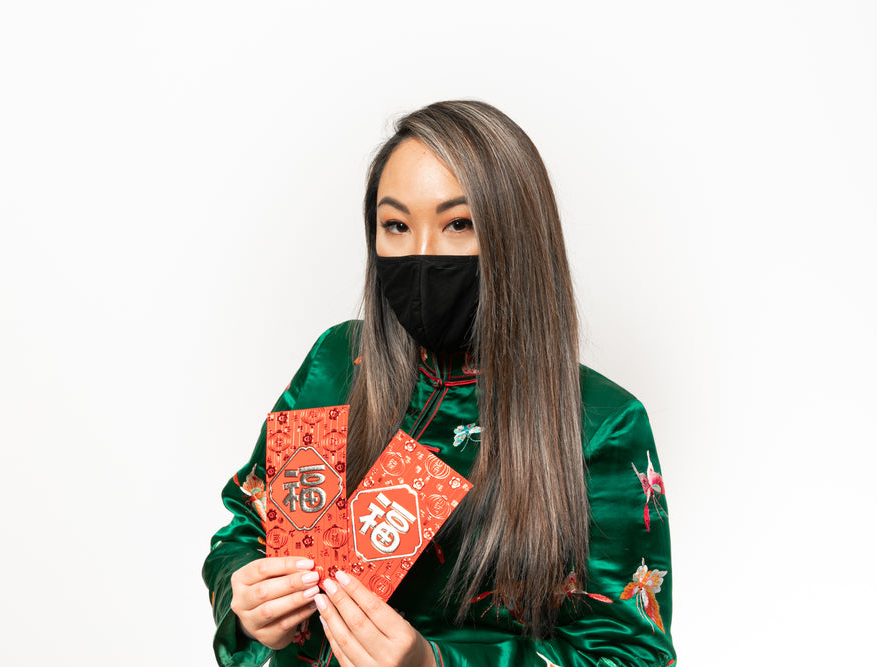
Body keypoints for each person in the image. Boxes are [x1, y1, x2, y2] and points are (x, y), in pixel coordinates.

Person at [202, 101, 676, 667]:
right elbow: (249, 529)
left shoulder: (600, 423)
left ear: (513, 237)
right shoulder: (336, 364)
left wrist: (435, 663)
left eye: (458, 224)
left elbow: (632, 656)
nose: (422, 252)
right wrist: (246, 600)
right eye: (396, 226)